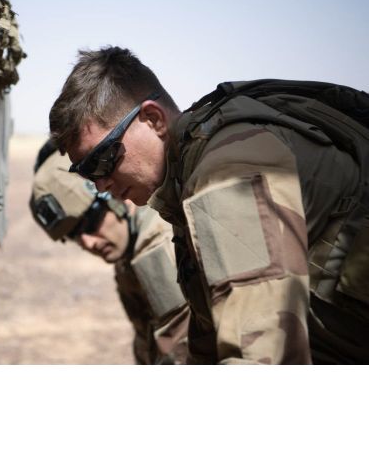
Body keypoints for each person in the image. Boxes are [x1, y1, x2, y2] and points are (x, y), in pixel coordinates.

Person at [48, 46, 369, 364]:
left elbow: (261, 355)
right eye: (87, 173)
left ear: (153, 119)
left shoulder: (227, 170)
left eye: (102, 160)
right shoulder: (181, 186)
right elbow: (206, 344)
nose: (101, 185)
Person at [30, 141, 189, 364]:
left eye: (90, 222)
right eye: (74, 235)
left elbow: (185, 354)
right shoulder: (129, 251)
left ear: (113, 194)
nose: (87, 242)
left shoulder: (155, 242)